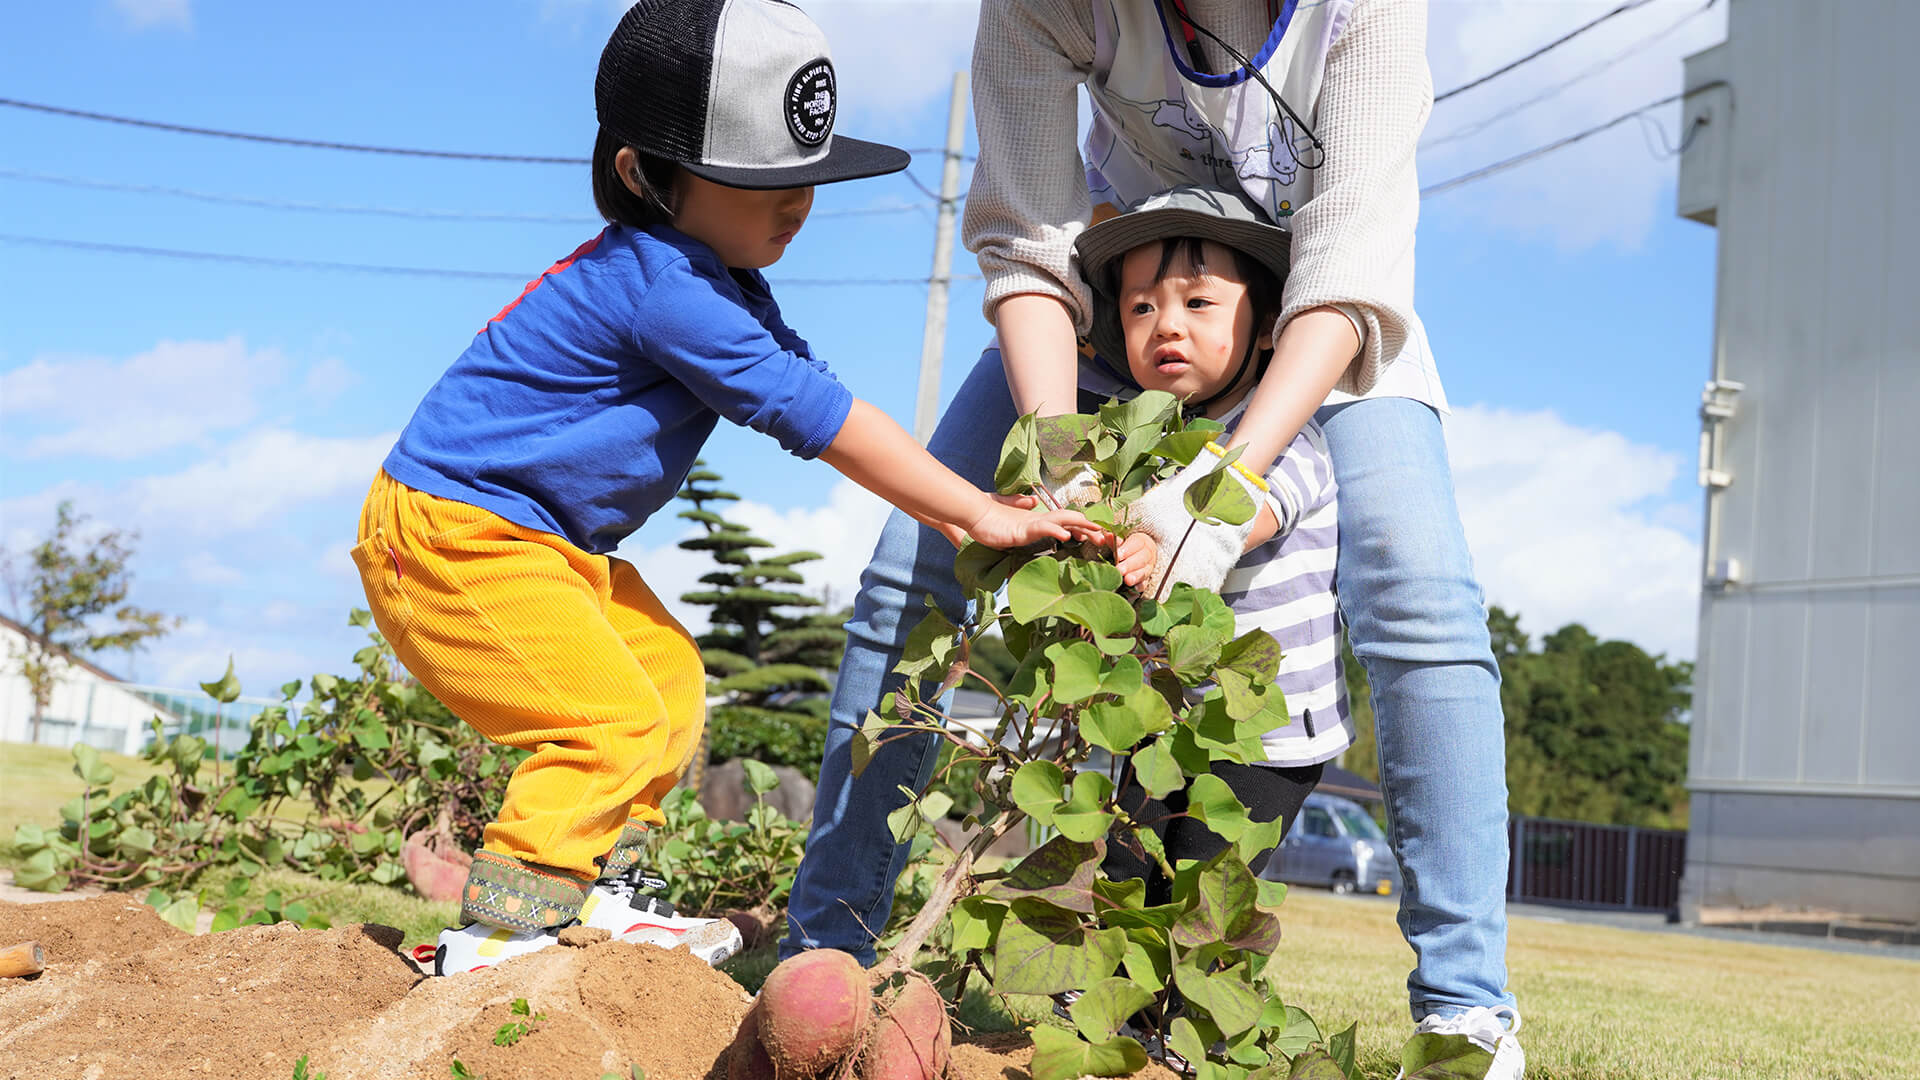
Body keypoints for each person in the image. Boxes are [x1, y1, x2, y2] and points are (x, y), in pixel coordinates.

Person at [784, 1, 1525, 1076]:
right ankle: (829, 948)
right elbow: (1036, 246)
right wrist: (1061, 455)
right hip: (1135, 299)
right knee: (922, 563)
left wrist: (1226, 483)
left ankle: (1465, 1012)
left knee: (1419, 597)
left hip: (1314, 307)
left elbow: (1351, 263)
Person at [352, 0, 1099, 977]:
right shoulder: (664, 285)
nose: (796, 204)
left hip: (537, 544)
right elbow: (817, 417)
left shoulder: (721, 285)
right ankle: (498, 933)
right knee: (607, 719)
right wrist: (976, 509)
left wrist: (966, 518)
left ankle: (577, 890)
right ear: (643, 175)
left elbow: (822, 399)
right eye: (760, 182)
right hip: (453, 536)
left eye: (807, 179)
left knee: (666, 688)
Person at [1078, 185, 1352, 897]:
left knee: (1201, 890)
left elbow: (1235, 518)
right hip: (1165, 708)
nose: (1166, 324)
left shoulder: (1288, 440)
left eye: (1198, 303)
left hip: (1268, 729)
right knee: (1126, 871)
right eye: (1141, 306)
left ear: (1267, 328)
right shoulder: (1141, 446)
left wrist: (1143, 537)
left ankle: (1170, 1007)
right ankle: (1102, 1005)